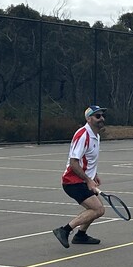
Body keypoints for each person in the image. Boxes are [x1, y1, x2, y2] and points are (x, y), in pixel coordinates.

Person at [53, 105, 107, 248]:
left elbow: (88, 159)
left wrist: (94, 175)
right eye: (97, 116)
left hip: (83, 180)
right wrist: (88, 180)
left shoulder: (96, 136)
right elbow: (73, 163)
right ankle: (64, 230)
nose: (101, 118)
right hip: (72, 182)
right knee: (98, 209)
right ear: (89, 119)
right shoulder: (83, 135)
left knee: (95, 207)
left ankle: (81, 235)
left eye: (102, 115)